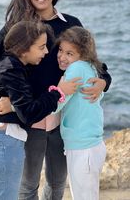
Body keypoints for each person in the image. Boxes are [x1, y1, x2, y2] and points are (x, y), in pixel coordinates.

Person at [0, 0, 111, 200]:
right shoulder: (20, 26)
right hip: (30, 118)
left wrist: (104, 81)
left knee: (57, 184)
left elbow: (92, 61)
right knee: (28, 187)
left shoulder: (71, 23)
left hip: (61, 119)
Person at [0, 20, 69, 200]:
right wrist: (58, 93)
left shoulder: (14, 65)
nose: (46, 51)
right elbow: (29, 114)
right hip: (3, 142)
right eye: (42, 47)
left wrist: (13, 106)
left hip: (4, 141)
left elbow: (24, 107)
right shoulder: (12, 69)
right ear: (24, 48)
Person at [55, 26, 107, 200]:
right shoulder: (90, 67)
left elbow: (56, 105)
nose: (62, 57)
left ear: (82, 55)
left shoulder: (76, 69)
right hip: (91, 144)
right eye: (61, 50)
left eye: (70, 53)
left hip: (83, 147)